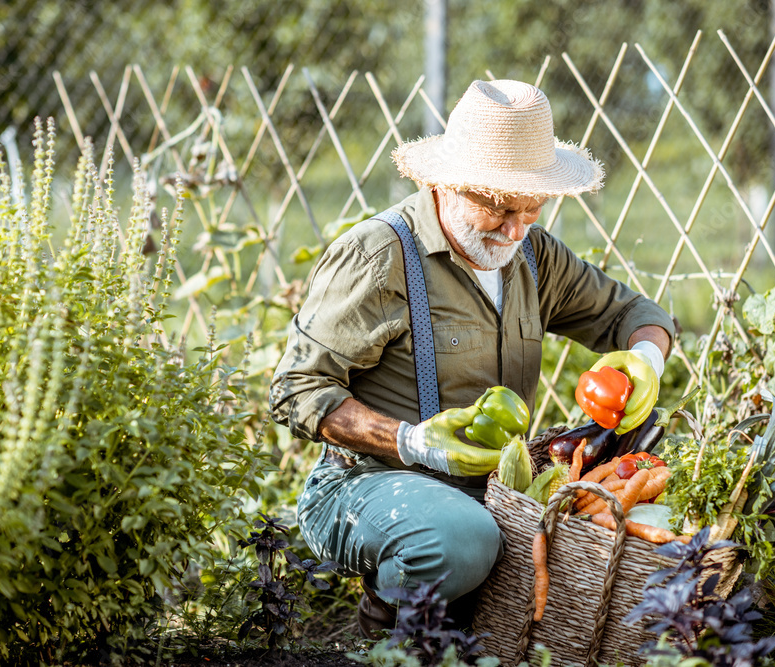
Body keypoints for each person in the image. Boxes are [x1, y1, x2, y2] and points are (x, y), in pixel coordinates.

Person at [269, 79, 674, 637]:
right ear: (452, 184)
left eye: (531, 208)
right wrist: (411, 442)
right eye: (500, 207)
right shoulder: (382, 256)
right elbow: (296, 390)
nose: (515, 229)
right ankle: (380, 637)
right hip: (367, 483)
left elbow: (635, 313)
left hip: (485, 491)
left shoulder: (534, 256)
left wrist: (645, 361)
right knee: (463, 539)